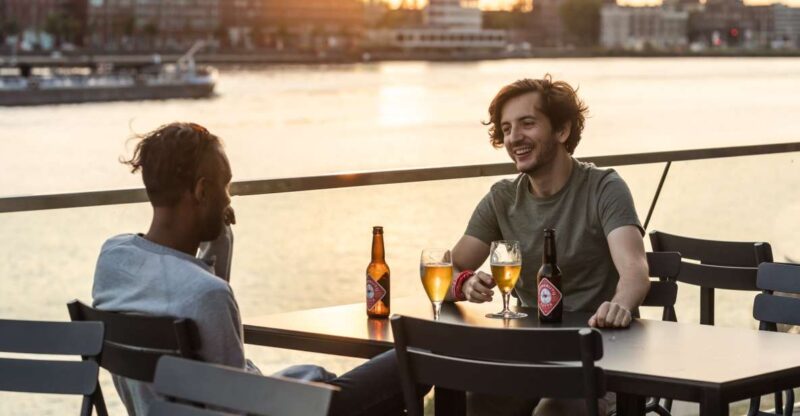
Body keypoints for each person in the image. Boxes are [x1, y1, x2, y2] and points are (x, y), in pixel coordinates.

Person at [92, 122, 416, 416]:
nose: (228, 198)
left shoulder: (114, 258)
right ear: (202, 191)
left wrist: (219, 247)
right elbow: (239, 403)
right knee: (411, 358)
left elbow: (182, 294)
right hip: (267, 408)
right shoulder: (207, 294)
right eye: (226, 185)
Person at [447, 76, 650, 415]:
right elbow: (448, 266)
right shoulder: (501, 198)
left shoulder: (605, 187)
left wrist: (620, 306)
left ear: (562, 131)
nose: (514, 138)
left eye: (527, 124)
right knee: (471, 404)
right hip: (530, 357)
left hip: (602, 359)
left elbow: (636, 271)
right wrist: (464, 282)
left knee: (549, 413)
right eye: (507, 128)